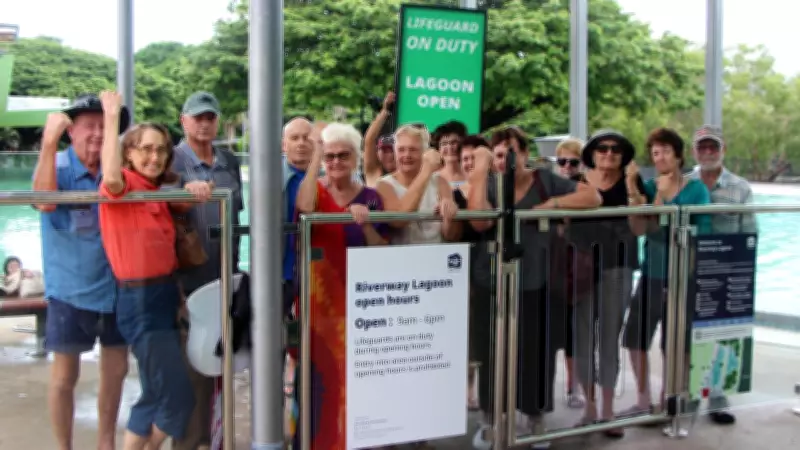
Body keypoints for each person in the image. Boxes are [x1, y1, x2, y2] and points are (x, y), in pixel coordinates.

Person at [467, 127, 602, 450]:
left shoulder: (544, 180)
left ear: (525, 154)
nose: (505, 160)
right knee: (490, 351)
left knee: (536, 351)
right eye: (499, 154)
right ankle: (491, 416)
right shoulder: (486, 182)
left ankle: (535, 415)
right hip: (491, 280)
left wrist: (552, 204)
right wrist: (480, 172)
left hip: (536, 279)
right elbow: (479, 221)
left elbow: (592, 196)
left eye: (511, 152)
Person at [96, 90, 213, 450]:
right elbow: (112, 177)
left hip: (162, 294)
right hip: (139, 300)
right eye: (145, 148)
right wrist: (112, 117)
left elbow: (177, 209)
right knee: (178, 398)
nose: (154, 156)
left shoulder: (154, 189)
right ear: (129, 152)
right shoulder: (126, 186)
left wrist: (191, 185)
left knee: (152, 394)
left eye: (161, 149)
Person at [31, 93, 131, 450]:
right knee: (64, 376)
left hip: (117, 285)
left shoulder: (116, 168)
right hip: (71, 290)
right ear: (71, 131)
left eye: (105, 126)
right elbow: (44, 201)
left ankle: (106, 442)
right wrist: (46, 142)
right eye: (90, 126)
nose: (98, 134)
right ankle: (64, 446)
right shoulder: (56, 167)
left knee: (116, 370)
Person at [294, 122, 389, 449]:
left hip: (356, 302)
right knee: (317, 379)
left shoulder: (372, 198)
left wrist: (365, 226)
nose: (335, 162)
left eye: (343, 155)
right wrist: (317, 151)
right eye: (330, 156)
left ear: (356, 158)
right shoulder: (315, 190)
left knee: (352, 379)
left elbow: (382, 249)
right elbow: (304, 207)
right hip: (317, 302)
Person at [171, 91, 245, 450]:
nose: (204, 123)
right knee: (189, 373)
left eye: (210, 117)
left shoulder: (228, 161)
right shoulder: (169, 160)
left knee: (220, 365)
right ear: (183, 121)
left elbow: (239, 215)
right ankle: (189, 443)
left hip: (224, 280)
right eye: (197, 117)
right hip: (185, 284)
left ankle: (215, 440)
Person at [622, 127, 711, 418]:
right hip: (651, 273)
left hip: (682, 276)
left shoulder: (696, 189)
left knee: (676, 341)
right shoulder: (649, 187)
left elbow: (700, 232)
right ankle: (644, 398)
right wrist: (647, 194)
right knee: (635, 337)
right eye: (655, 153)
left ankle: (670, 398)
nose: (659, 158)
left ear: (678, 156)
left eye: (665, 152)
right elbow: (642, 228)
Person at [571, 131, 648, 438]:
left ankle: (607, 408)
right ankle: (588, 405)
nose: (609, 153)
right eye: (602, 148)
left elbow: (639, 227)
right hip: (580, 270)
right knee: (582, 338)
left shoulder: (634, 184)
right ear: (592, 152)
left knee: (608, 339)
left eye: (617, 149)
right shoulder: (577, 179)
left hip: (618, 267)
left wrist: (630, 185)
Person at [686, 124, 756, 425]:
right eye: (702, 147)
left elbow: (750, 229)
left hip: (725, 270)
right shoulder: (683, 182)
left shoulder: (741, 187)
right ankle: (687, 395)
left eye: (713, 146)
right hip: (688, 268)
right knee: (685, 335)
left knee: (723, 335)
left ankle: (718, 397)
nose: (708, 152)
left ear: (723, 149)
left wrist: (744, 270)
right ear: (694, 151)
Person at [552, 137, 586, 410]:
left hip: (580, 266)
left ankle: (574, 385)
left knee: (578, 330)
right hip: (553, 266)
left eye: (572, 162)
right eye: (561, 161)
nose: (566, 166)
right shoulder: (549, 187)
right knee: (554, 328)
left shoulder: (586, 188)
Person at [362, 92, 397, 187]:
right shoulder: (374, 173)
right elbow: (369, 141)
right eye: (385, 150)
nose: (390, 155)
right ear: (377, 153)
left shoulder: (412, 175)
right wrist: (385, 111)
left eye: (394, 150)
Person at [433, 120, 469, 187]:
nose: (449, 147)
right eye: (444, 144)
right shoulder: (432, 179)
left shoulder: (474, 177)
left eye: (454, 142)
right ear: (438, 149)